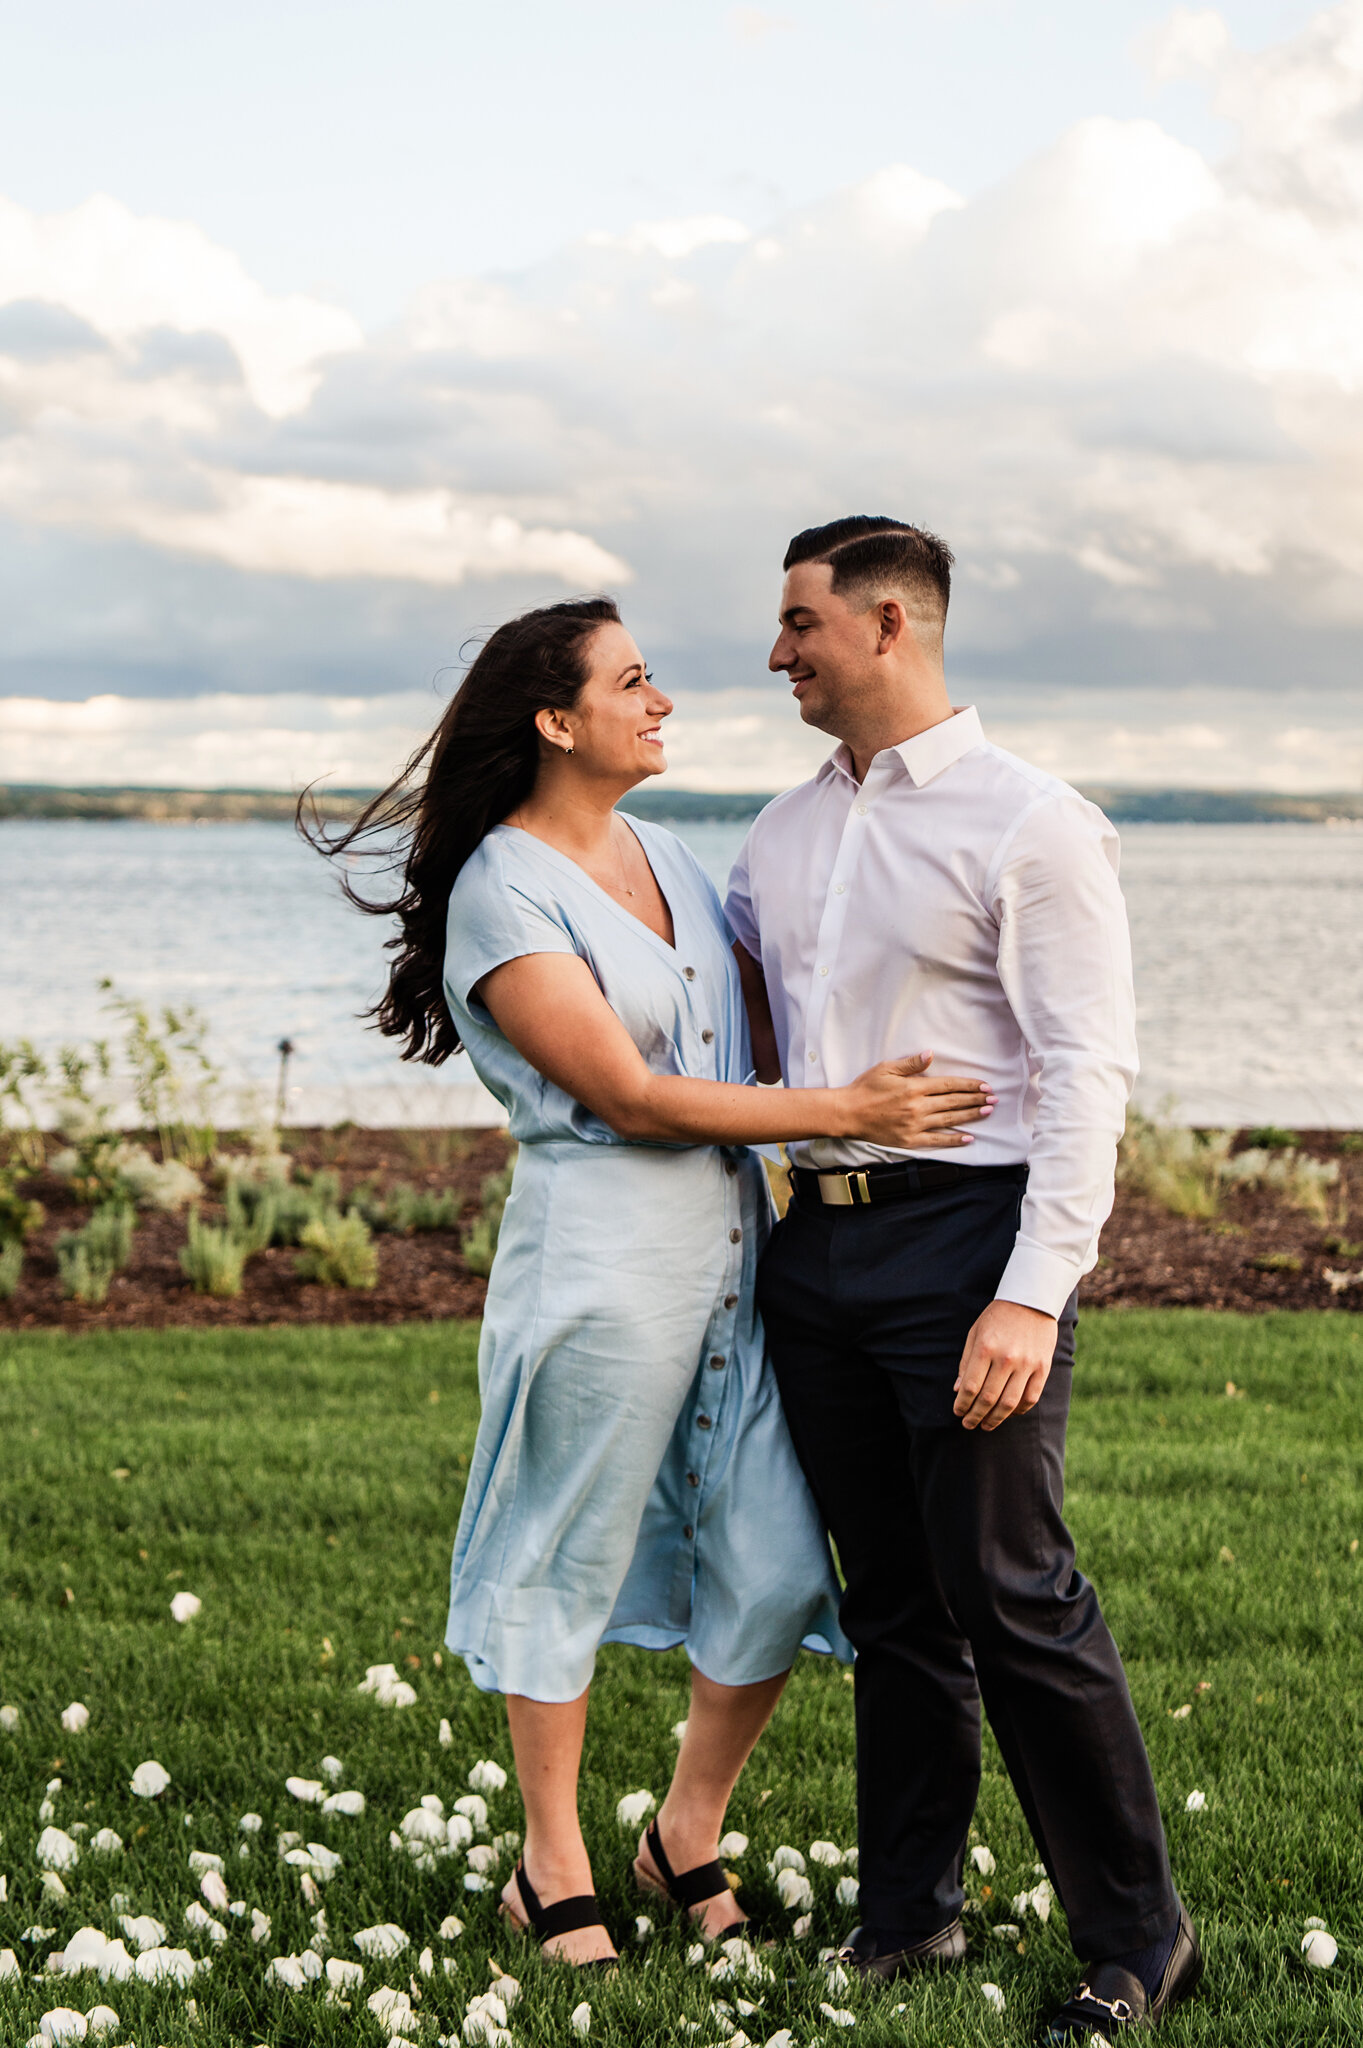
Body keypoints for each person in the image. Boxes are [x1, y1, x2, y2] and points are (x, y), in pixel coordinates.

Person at [304, 594, 993, 1967]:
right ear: (558, 721)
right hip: (602, 1265)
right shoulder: (503, 887)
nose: (660, 698)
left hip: (744, 1263)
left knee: (782, 1556)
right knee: (564, 1548)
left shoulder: (673, 860)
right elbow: (625, 1093)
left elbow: (786, 993)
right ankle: (548, 1864)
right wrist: (840, 1109)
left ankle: (685, 1830)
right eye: (633, 681)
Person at [726, 519, 1203, 2040]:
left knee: (1012, 1590)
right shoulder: (777, 834)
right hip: (824, 1250)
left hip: (970, 1249)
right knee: (895, 1610)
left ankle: (1139, 1938)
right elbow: (742, 1041)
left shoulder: (1033, 823)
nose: (780, 651)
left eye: (800, 623)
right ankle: (906, 1918)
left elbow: (1086, 1069)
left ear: (886, 625)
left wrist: (1032, 1289)